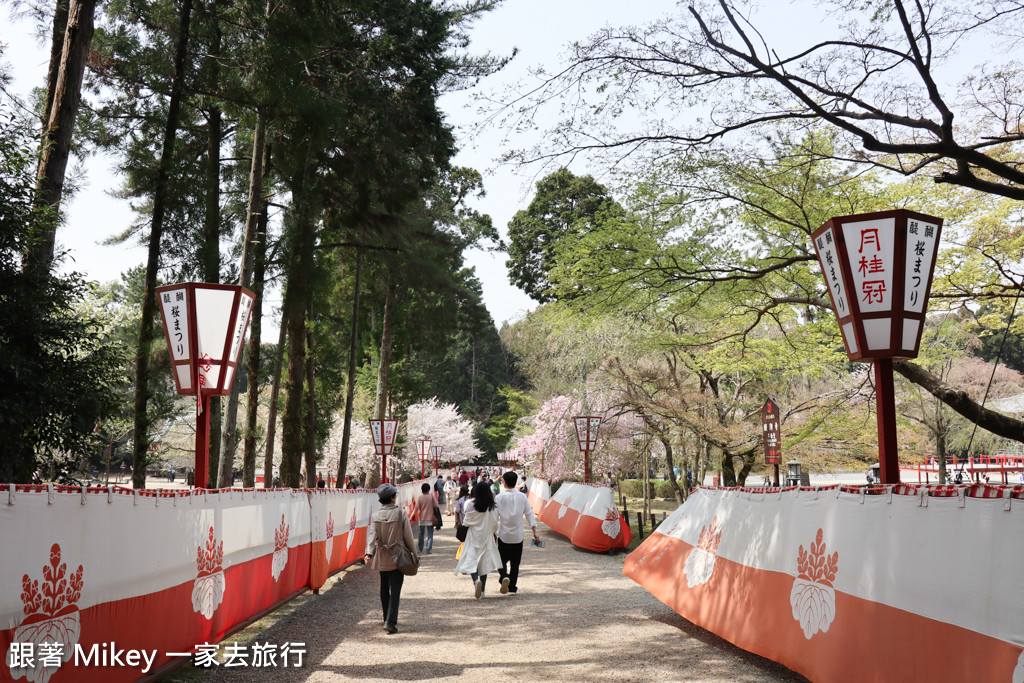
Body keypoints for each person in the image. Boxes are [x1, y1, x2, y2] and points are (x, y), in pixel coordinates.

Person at [364, 483, 417, 634]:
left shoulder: (375, 515)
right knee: (396, 589)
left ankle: (385, 617)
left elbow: (371, 536)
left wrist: (369, 553)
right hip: (398, 555)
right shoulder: (401, 514)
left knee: (383, 587)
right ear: (393, 498)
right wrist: (414, 554)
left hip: (382, 556)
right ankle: (390, 621)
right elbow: (408, 536)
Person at [495, 471, 540, 596]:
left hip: (504, 534)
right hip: (518, 535)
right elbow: (529, 514)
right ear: (516, 483)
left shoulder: (499, 497)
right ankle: (512, 588)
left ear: (504, 483)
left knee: (500, 560)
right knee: (515, 563)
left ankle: (504, 576)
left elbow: (494, 517)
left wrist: (493, 532)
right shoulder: (522, 496)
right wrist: (535, 532)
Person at [455, 482, 502, 599]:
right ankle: (482, 590)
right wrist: (495, 533)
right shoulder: (493, 506)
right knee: (484, 562)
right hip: (486, 535)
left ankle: (476, 581)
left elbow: (467, 519)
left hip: (472, 535)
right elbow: (494, 522)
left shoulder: (469, 504)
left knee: (472, 560)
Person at [414, 483, 437, 554]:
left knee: (421, 533)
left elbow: (416, 508)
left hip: (422, 518)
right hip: (430, 518)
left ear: (422, 490)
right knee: (430, 534)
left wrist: (412, 515)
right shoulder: (431, 497)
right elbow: (436, 505)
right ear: (428, 489)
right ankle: (428, 549)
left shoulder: (420, 498)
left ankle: (420, 548)